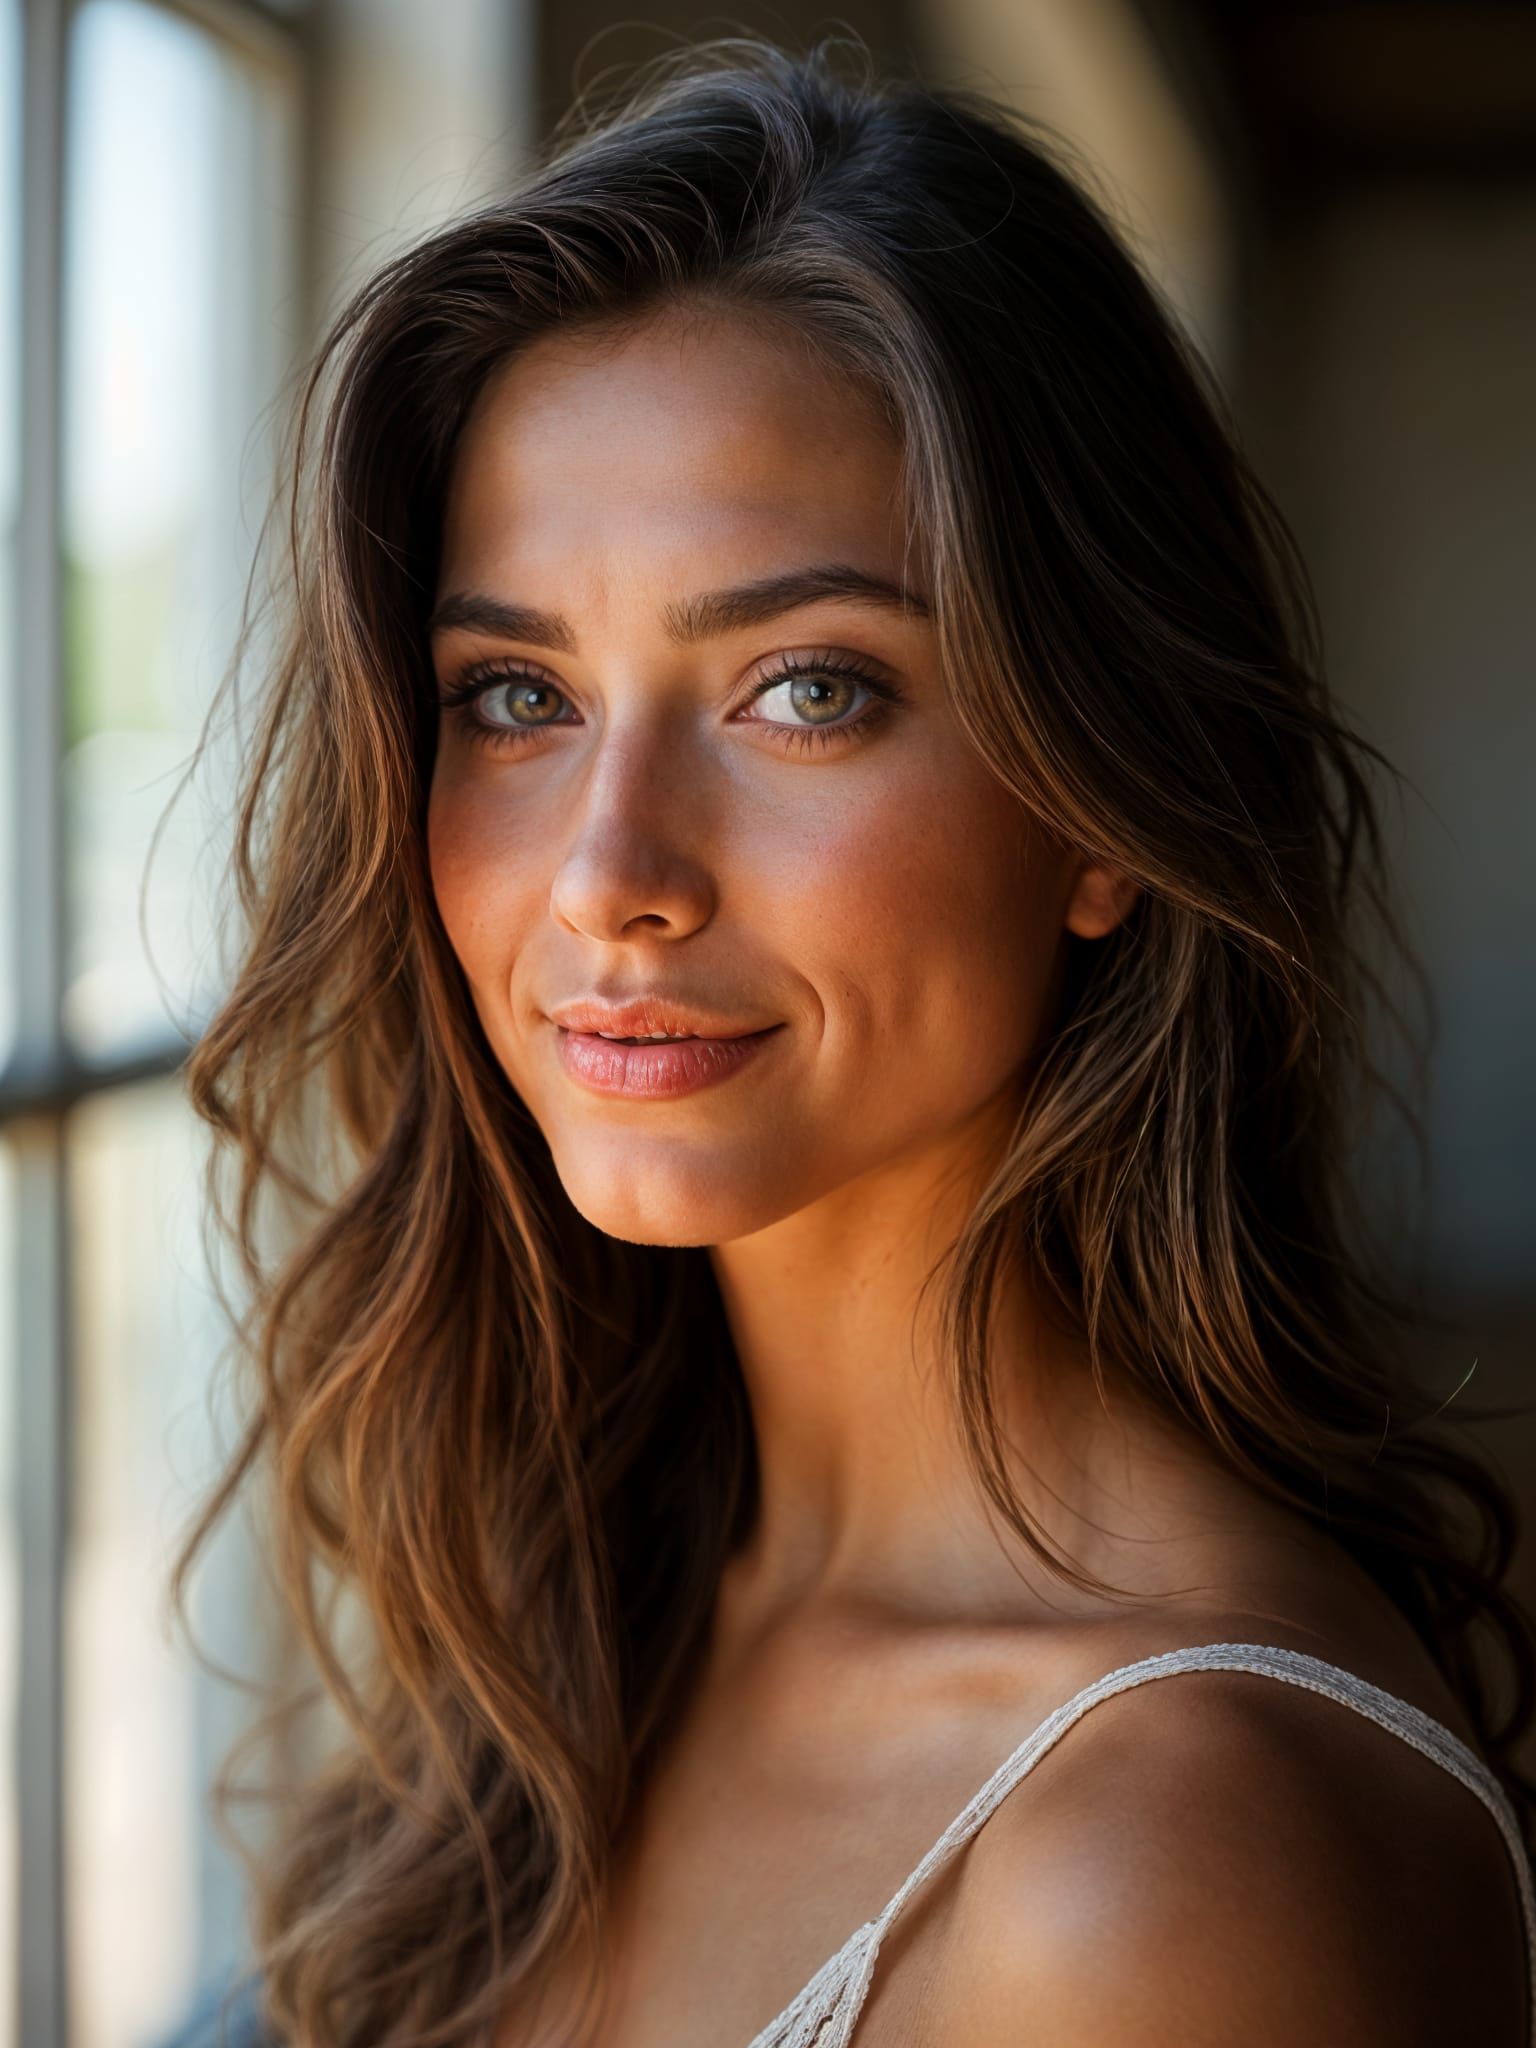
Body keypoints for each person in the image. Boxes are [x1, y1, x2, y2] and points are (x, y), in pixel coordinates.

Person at [173, 34, 1536, 2048]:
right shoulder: (580, 1617)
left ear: (1096, 800)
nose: (610, 875)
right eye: (515, 696)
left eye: (805, 687)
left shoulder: (1161, 1867)